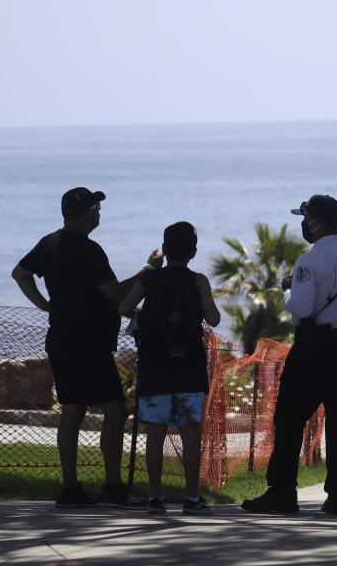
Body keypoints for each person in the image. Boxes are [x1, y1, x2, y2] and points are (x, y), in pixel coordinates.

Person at [11, 187, 162, 508]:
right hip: (88, 341)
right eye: (96, 208)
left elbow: (20, 273)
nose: (99, 213)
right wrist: (148, 272)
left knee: (73, 409)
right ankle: (113, 487)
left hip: (62, 337)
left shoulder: (49, 242)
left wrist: (45, 305)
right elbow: (116, 294)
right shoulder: (88, 250)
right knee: (115, 409)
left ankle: (70, 488)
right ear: (85, 213)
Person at [242, 195, 337, 515]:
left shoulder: (310, 260)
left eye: (306, 218)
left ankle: (283, 492)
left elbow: (300, 306)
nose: (303, 224)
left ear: (315, 222)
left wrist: (287, 288)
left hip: (314, 349)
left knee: (289, 419)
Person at [118, 221, 221, 515]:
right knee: (190, 431)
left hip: (155, 364)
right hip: (188, 365)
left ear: (164, 250)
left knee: (156, 431)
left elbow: (122, 307)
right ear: (194, 251)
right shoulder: (198, 280)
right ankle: (191, 497)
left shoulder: (151, 279)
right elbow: (213, 319)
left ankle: (155, 497)